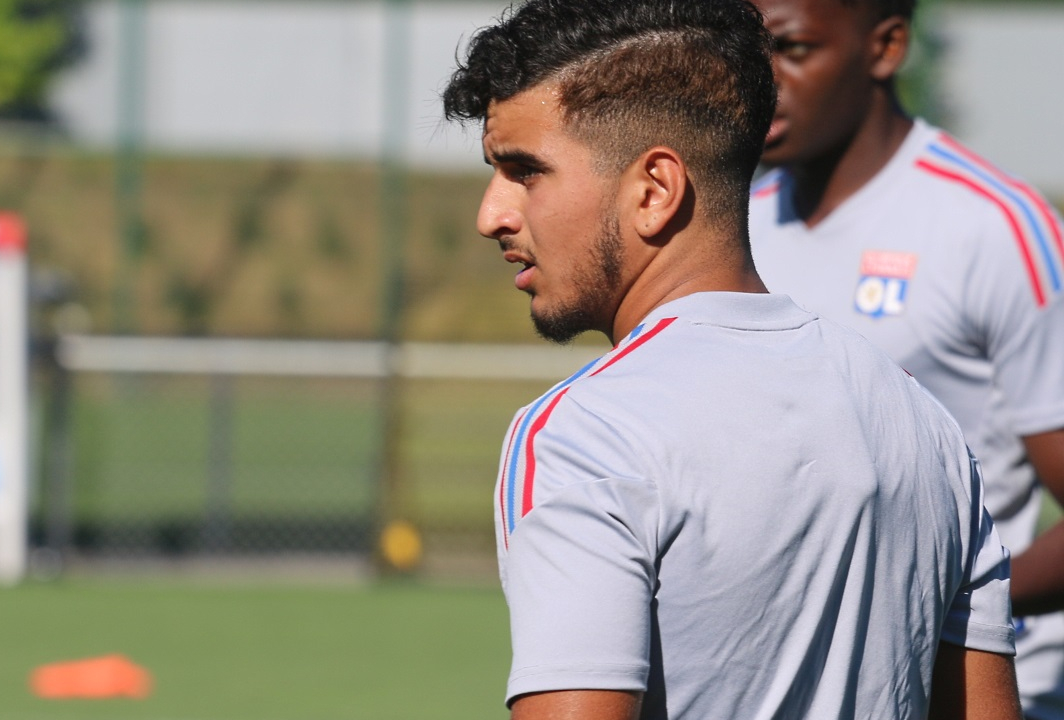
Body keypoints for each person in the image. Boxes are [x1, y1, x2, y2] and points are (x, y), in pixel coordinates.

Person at [441, 0, 1020, 717]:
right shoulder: (921, 418)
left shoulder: (586, 433)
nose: (491, 213)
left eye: (524, 170)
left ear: (654, 191)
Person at [746, 0, 1064, 715]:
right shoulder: (733, 220)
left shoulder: (995, 227)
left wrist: (931, 609)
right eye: (744, 50)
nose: (757, 81)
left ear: (885, 48)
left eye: (790, 49)